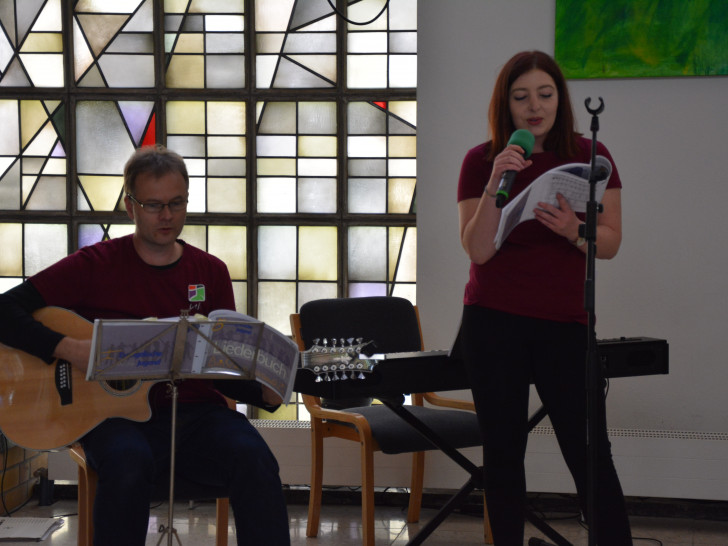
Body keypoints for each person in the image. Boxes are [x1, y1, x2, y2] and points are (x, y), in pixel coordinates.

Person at [0, 145, 291, 546]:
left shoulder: (210, 271)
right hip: (112, 419)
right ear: (129, 206)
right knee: (128, 462)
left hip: (196, 414)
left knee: (255, 458)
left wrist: (264, 389)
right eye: (154, 205)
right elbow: (5, 309)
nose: (167, 216)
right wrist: (68, 348)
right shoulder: (95, 264)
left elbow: (218, 369)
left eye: (176, 203)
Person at [457, 51, 632, 545]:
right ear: (505, 106)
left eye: (545, 94)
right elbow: (478, 250)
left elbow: (612, 241)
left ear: (560, 98)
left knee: (590, 452)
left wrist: (576, 229)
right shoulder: (482, 160)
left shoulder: (592, 156)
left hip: (565, 324)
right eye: (521, 97)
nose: (534, 106)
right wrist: (496, 182)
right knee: (504, 453)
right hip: (494, 323)